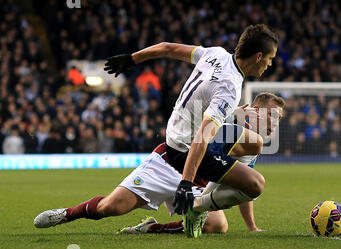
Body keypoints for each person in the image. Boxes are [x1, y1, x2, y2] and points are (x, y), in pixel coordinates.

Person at [104, 24, 279, 237]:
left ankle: (194, 207)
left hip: (173, 135)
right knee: (255, 184)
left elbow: (167, 47)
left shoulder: (216, 53)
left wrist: (132, 59)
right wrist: (186, 184)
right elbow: (203, 135)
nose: (270, 64)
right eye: (270, 59)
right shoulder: (231, 86)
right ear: (259, 56)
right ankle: (197, 206)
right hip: (187, 149)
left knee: (240, 183)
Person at [33, 93, 285, 236]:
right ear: (253, 109)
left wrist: (251, 226)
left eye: (279, 118)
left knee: (217, 226)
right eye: (271, 114)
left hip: (195, 183)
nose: (275, 121)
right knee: (112, 207)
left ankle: (153, 228)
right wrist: (230, 115)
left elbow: (244, 184)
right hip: (168, 165)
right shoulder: (228, 116)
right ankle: (67, 214)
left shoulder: (253, 144)